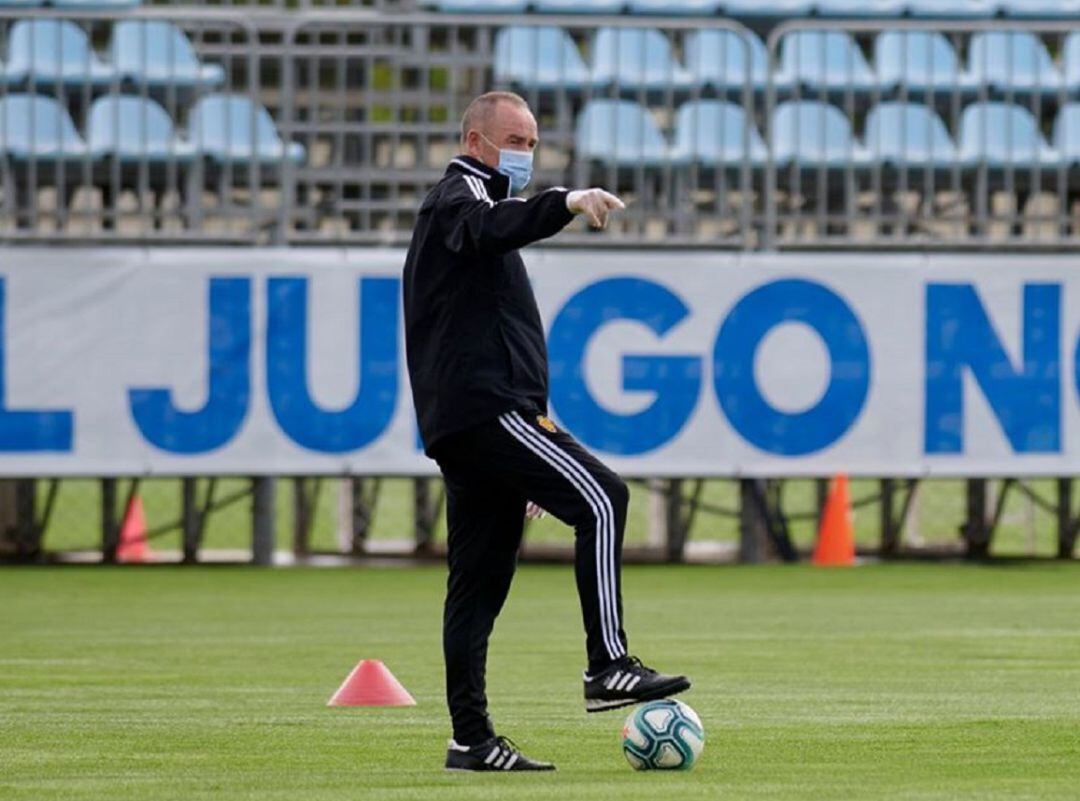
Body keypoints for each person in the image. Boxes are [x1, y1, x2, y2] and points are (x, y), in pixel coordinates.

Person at [402, 91, 691, 773]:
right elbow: (492, 227)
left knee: (478, 585)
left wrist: (535, 428)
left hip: (484, 417)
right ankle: (609, 663)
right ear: (475, 140)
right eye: (514, 141)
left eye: (532, 143)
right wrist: (562, 200)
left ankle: (471, 739)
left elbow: (500, 328)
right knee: (604, 497)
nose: (525, 154)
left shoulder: (473, 202)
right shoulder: (457, 199)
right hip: (483, 409)